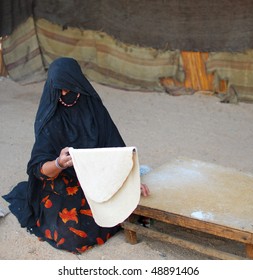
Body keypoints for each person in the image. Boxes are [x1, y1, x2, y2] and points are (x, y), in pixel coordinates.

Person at [3, 57, 150, 254]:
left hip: (98, 175)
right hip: (64, 180)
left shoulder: (93, 107)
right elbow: (38, 169)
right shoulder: (50, 116)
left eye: (68, 88)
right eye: (59, 89)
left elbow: (114, 146)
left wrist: (131, 179)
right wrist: (59, 163)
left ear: (77, 83)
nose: (64, 94)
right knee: (71, 235)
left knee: (130, 206)